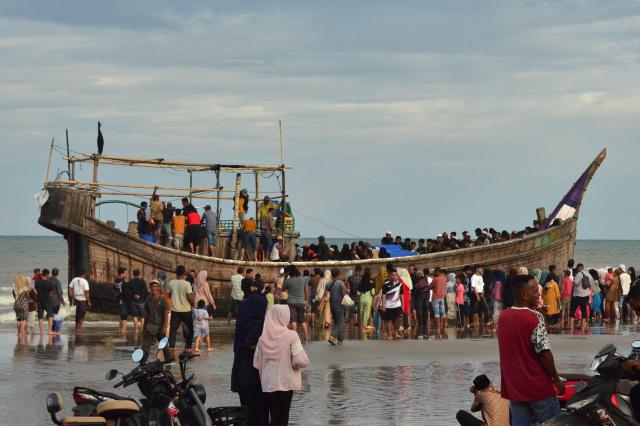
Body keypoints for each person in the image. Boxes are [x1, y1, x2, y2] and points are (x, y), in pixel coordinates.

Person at [498, 274, 564, 425]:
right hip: (537, 387)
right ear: (523, 294)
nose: (539, 294)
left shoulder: (503, 317)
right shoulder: (535, 317)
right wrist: (556, 379)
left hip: (514, 388)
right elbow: (544, 353)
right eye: (535, 291)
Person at [253, 305, 310, 426]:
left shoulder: (262, 339)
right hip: (285, 384)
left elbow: (256, 364)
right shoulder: (291, 336)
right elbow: (301, 361)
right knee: (281, 420)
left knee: (272, 419)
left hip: (267, 385)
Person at [231, 291, 268, 426]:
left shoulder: (242, 322)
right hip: (252, 374)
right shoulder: (258, 323)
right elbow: (250, 343)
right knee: (258, 413)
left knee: (247, 411)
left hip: (240, 373)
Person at [141, 280, 171, 362]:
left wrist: (165, 326)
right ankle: (142, 364)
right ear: (150, 288)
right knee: (145, 347)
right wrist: (144, 328)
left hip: (160, 327)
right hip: (149, 326)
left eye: (155, 286)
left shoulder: (163, 300)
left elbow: (166, 313)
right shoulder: (148, 300)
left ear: (158, 287)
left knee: (164, 347)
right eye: (152, 286)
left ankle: (169, 363)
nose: (153, 288)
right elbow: (146, 315)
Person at [167, 265, 195, 351]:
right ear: (184, 273)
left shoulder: (171, 283)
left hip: (175, 310)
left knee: (173, 329)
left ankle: (171, 346)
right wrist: (193, 304)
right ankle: (189, 346)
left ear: (176, 273)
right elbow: (189, 297)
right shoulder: (187, 284)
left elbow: (168, 296)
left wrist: (170, 306)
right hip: (186, 310)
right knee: (190, 329)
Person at [284, 267, 308, 340]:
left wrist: (285, 277)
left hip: (291, 302)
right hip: (301, 301)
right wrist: (306, 300)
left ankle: (294, 336)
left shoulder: (288, 280)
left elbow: (283, 288)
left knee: (293, 319)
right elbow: (306, 290)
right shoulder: (303, 279)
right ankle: (306, 336)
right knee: (302, 319)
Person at [382, 269, 404, 340]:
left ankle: (395, 331)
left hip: (397, 305)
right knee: (389, 320)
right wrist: (383, 305)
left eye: (395, 275)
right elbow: (384, 295)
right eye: (392, 275)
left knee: (400, 318)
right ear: (390, 276)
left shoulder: (400, 284)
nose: (394, 276)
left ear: (397, 276)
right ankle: (390, 334)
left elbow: (401, 295)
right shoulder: (386, 284)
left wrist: (403, 304)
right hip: (388, 305)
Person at [327, 268, 347, 345]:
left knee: (336, 322)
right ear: (338, 274)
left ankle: (340, 339)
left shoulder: (328, 283)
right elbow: (344, 294)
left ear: (332, 274)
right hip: (340, 305)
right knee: (340, 323)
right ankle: (332, 336)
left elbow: (326, 294)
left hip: (332, 305)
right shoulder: (341, 283)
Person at [571, 263, 592, 330]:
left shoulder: (579, 274)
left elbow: (575, 283)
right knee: (584, 311)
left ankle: (571, 326)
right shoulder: (588, 274)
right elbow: (591, 284)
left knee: (572, 310)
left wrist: (573, 281)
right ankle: (583, 326)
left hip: (577, 295)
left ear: (578, 268)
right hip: (586, 295)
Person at [34, 269, 55, 335]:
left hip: (39, 301)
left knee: (40, 317)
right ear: (47, 274)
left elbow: (36, 291)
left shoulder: (37, 283)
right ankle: (50, 331)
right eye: (48, 275)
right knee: (50, 315)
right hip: (47, 301)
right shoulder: (49, 283)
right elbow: (51, 294)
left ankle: (42, 332)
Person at [128, 269, 148, 334]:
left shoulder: (130, 282)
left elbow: (128, 291)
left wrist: (134, 295)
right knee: (142, 316)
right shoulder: (143, 282)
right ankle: (142, 329)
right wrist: (142, 297)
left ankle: (136, 330)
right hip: (141, 301)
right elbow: (145, 291)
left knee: (135, 316)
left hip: (133, 301)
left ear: (133, 274)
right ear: (139, 274)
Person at [429, 269, 447, 337]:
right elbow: (445, 288)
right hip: (442, 297)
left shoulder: (436, 279)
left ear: (438, 272)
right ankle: (445, 324)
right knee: (443, 311)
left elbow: (430, 287)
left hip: (436, 297)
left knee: (436, 312)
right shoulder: (444, 278)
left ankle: (438, 326)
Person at [413, 269, 431, 338]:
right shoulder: (425, 279)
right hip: (426, 294)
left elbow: (415, 289)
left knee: (419, 309)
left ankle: (421, 324)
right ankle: (425, 325)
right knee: (425, 309)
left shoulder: (415, 279)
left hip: (420, 296)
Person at [358, 268, 375, 334]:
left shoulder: (361, 283)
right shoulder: (371, 284)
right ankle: (364, 326)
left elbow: (358, 293)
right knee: (367, 313)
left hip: (361, 299)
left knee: (361, 313)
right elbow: (373, 293)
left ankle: (362, 325)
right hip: (368, 300)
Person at [113, 267, 130, 335]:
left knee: (121, 314)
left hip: (119, 299)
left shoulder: (115, 281)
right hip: (123, 299)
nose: (126, 274)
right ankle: (124, 330)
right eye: (125, 273)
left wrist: (117, 296)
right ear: (122, 273)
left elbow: (113, 290)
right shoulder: (123, 282)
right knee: (124, 315)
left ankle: (120, 329)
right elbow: (126, 293)